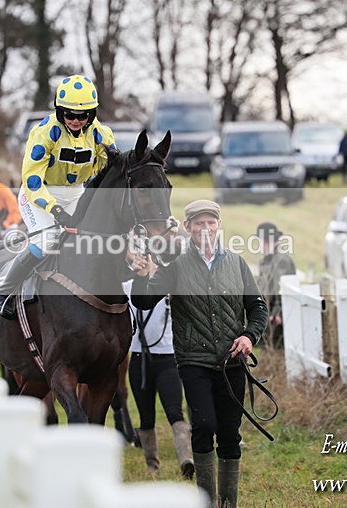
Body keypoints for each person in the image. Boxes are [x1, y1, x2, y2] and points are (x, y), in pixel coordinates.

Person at [129, 199, 268, 508]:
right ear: (188, 227)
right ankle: (206, 500)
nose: (205, 228)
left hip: (232, 362)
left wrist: (249, 336)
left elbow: (258, 308)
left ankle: (227, 503)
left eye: (210, 222)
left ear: (219, 225)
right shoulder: (176, 267)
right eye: (199, 223)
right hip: (194, 362)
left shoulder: (237, 263)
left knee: (229, 433)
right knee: (203, 426)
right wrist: (140, 275)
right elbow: (143, 301)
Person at [0, 74, 117, 319]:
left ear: (92, 114)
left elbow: (107, 170)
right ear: (59, 111)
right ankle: (2, 291)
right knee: (47, 240)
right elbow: (32, 181)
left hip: (76, 192)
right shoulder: (44, 133)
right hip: (39, 194)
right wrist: (56, 210)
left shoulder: (102, 135)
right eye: (69, 115)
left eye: (83, 115)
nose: (76, 120)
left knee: (95, 239)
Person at [123, 279, 194, 479]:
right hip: (139, 359)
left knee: (174, 412)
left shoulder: (170, 283)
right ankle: (152, 465)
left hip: (167, 359)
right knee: (146, 416)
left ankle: (186, 460)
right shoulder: (128, 287)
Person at [255, 222, 296, 348]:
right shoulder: (268, 259)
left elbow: (280, 289)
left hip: (277, 317)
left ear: (266, 241)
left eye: (259, 241)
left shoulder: (280, 260)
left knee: (276, 348)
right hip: (269, 312)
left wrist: (277, 312)